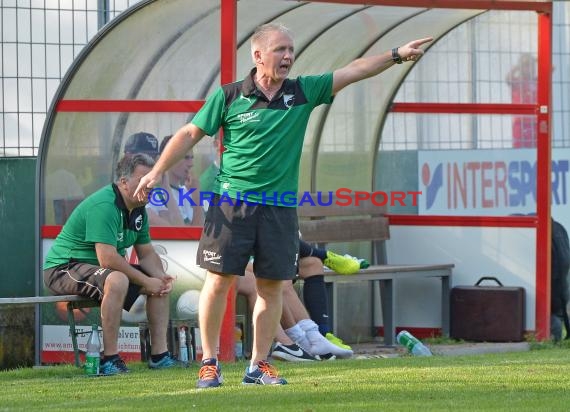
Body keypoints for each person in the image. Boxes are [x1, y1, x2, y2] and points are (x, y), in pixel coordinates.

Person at [134, 22, 432, 387]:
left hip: (279, 208)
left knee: (272, 287)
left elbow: (353, 70)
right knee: (218, 281)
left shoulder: (302, 92)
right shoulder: (228, 96)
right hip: (232, 204)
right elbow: (189, 134)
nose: (288, 56)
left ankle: (259, 365)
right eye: (280, 50)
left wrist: (396, 55)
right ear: (258, 56)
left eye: (290, 49)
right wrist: (155, 173)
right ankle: (209, 362)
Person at [43, 154, 177, 375]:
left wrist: (160, 279)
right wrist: (146, 281)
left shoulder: (138, 208)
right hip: (63, 268)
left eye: (152, 179)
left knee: (158, 285)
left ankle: (160, 356)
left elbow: (147, 253)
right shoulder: (105, 204)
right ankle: (109, 359)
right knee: (117, 279)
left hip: (99, 269)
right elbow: (108, 259)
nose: (150, 184)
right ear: (123, 182)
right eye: (144, 178)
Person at [148, 135, 204, 226]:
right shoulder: (156, 195)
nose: (191, 164)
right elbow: (186, 234)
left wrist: (196, 194)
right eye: (186, 158)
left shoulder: (187, 192)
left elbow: (201, 232)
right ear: (168, 158)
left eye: (192, 158)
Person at [505, 53, 537, 148]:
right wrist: (518, 67)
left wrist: (540, 60)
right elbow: (508, 79)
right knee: (519, 149)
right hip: (520, 122)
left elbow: (552, 68)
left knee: (536, 149)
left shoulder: (538, 81)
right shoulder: (517, 81)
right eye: (527, 65)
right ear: (521, 67)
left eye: (532, 65)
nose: (530, 68)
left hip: (535, 122)